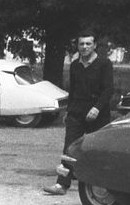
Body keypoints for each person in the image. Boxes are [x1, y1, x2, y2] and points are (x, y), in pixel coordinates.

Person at [43, 32, 114, 195]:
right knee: (69, 149)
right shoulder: (75, 65)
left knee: (96, 149)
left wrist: (97, 108)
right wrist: (68, 111)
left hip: (98, 114)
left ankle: (99, 187)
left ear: (94, 45)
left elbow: (108, 90)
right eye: (81, 44)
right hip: (77, 112)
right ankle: (61, 184)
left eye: (88, 44)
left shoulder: (104, 64)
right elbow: (73, 90)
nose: (84, 47)